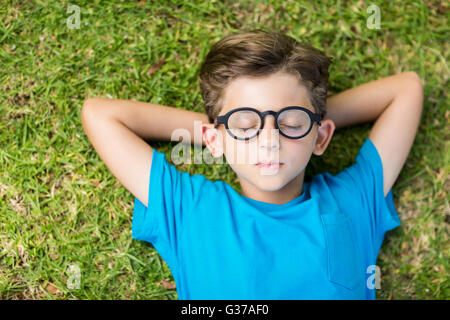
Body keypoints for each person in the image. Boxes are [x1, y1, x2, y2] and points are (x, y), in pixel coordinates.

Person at [81, 29, 423, 299]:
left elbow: (406, 89)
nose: (269, 139)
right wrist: (220, 131)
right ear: (214, 139)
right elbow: (100, 115)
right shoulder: (189, 209)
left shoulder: (352, 201)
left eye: (289, 124)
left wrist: (308, 120)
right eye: (246, 126)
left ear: (321, 137)